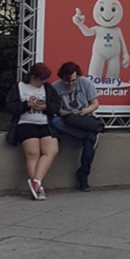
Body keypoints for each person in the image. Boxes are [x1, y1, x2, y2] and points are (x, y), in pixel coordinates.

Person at [6, 62, 61, 200]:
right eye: (41, 80)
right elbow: (10, 106)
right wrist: (26, 105)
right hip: (25, 123)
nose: (43, 82)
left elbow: (56, 105)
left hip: (45, 123)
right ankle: (38, 188)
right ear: (33, 77)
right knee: (33, 153)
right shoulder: (19, 87)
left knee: (51, 150)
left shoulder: (47, 88)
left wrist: (45, 107)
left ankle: (36, 180)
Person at [51, 61, 104, 193]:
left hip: (85, 118)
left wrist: (85, 111)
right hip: (68, 118)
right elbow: (58, 111)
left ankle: (83, 174)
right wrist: (69, 113)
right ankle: (88, 135)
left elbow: (95, 104)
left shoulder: (85, 83)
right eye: (67, 81)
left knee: (90, 140)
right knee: (56, 121)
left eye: (73, 81)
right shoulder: (55, 87)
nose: (70, 84)